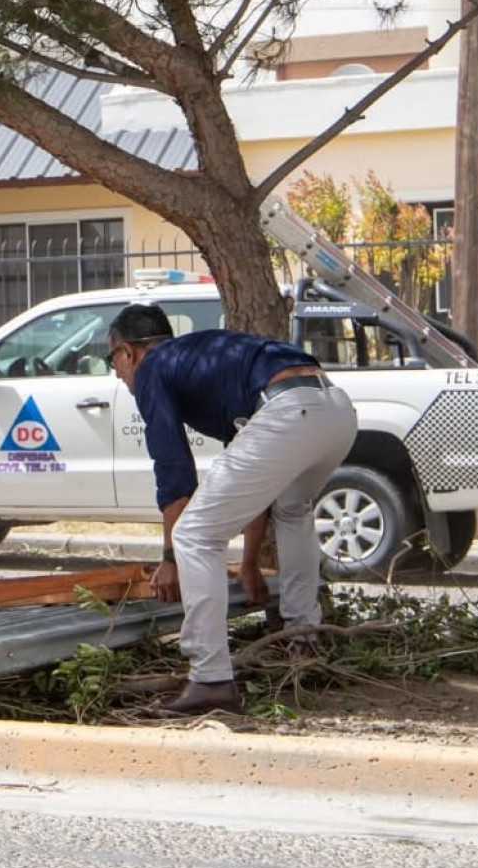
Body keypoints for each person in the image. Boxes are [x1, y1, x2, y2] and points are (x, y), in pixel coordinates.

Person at [105, 303, 357, 715]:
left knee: (194, 535)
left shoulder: (154, 369)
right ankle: (304, 639)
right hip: (335, 408)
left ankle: (210, 679)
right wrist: (249, 563)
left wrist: (170, 557)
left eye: (113, 361)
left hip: (289, 410)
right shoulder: (203, 363)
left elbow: (174, 470)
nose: (117, 373)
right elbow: (254, 485)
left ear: (128, 352)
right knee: (293, 510)